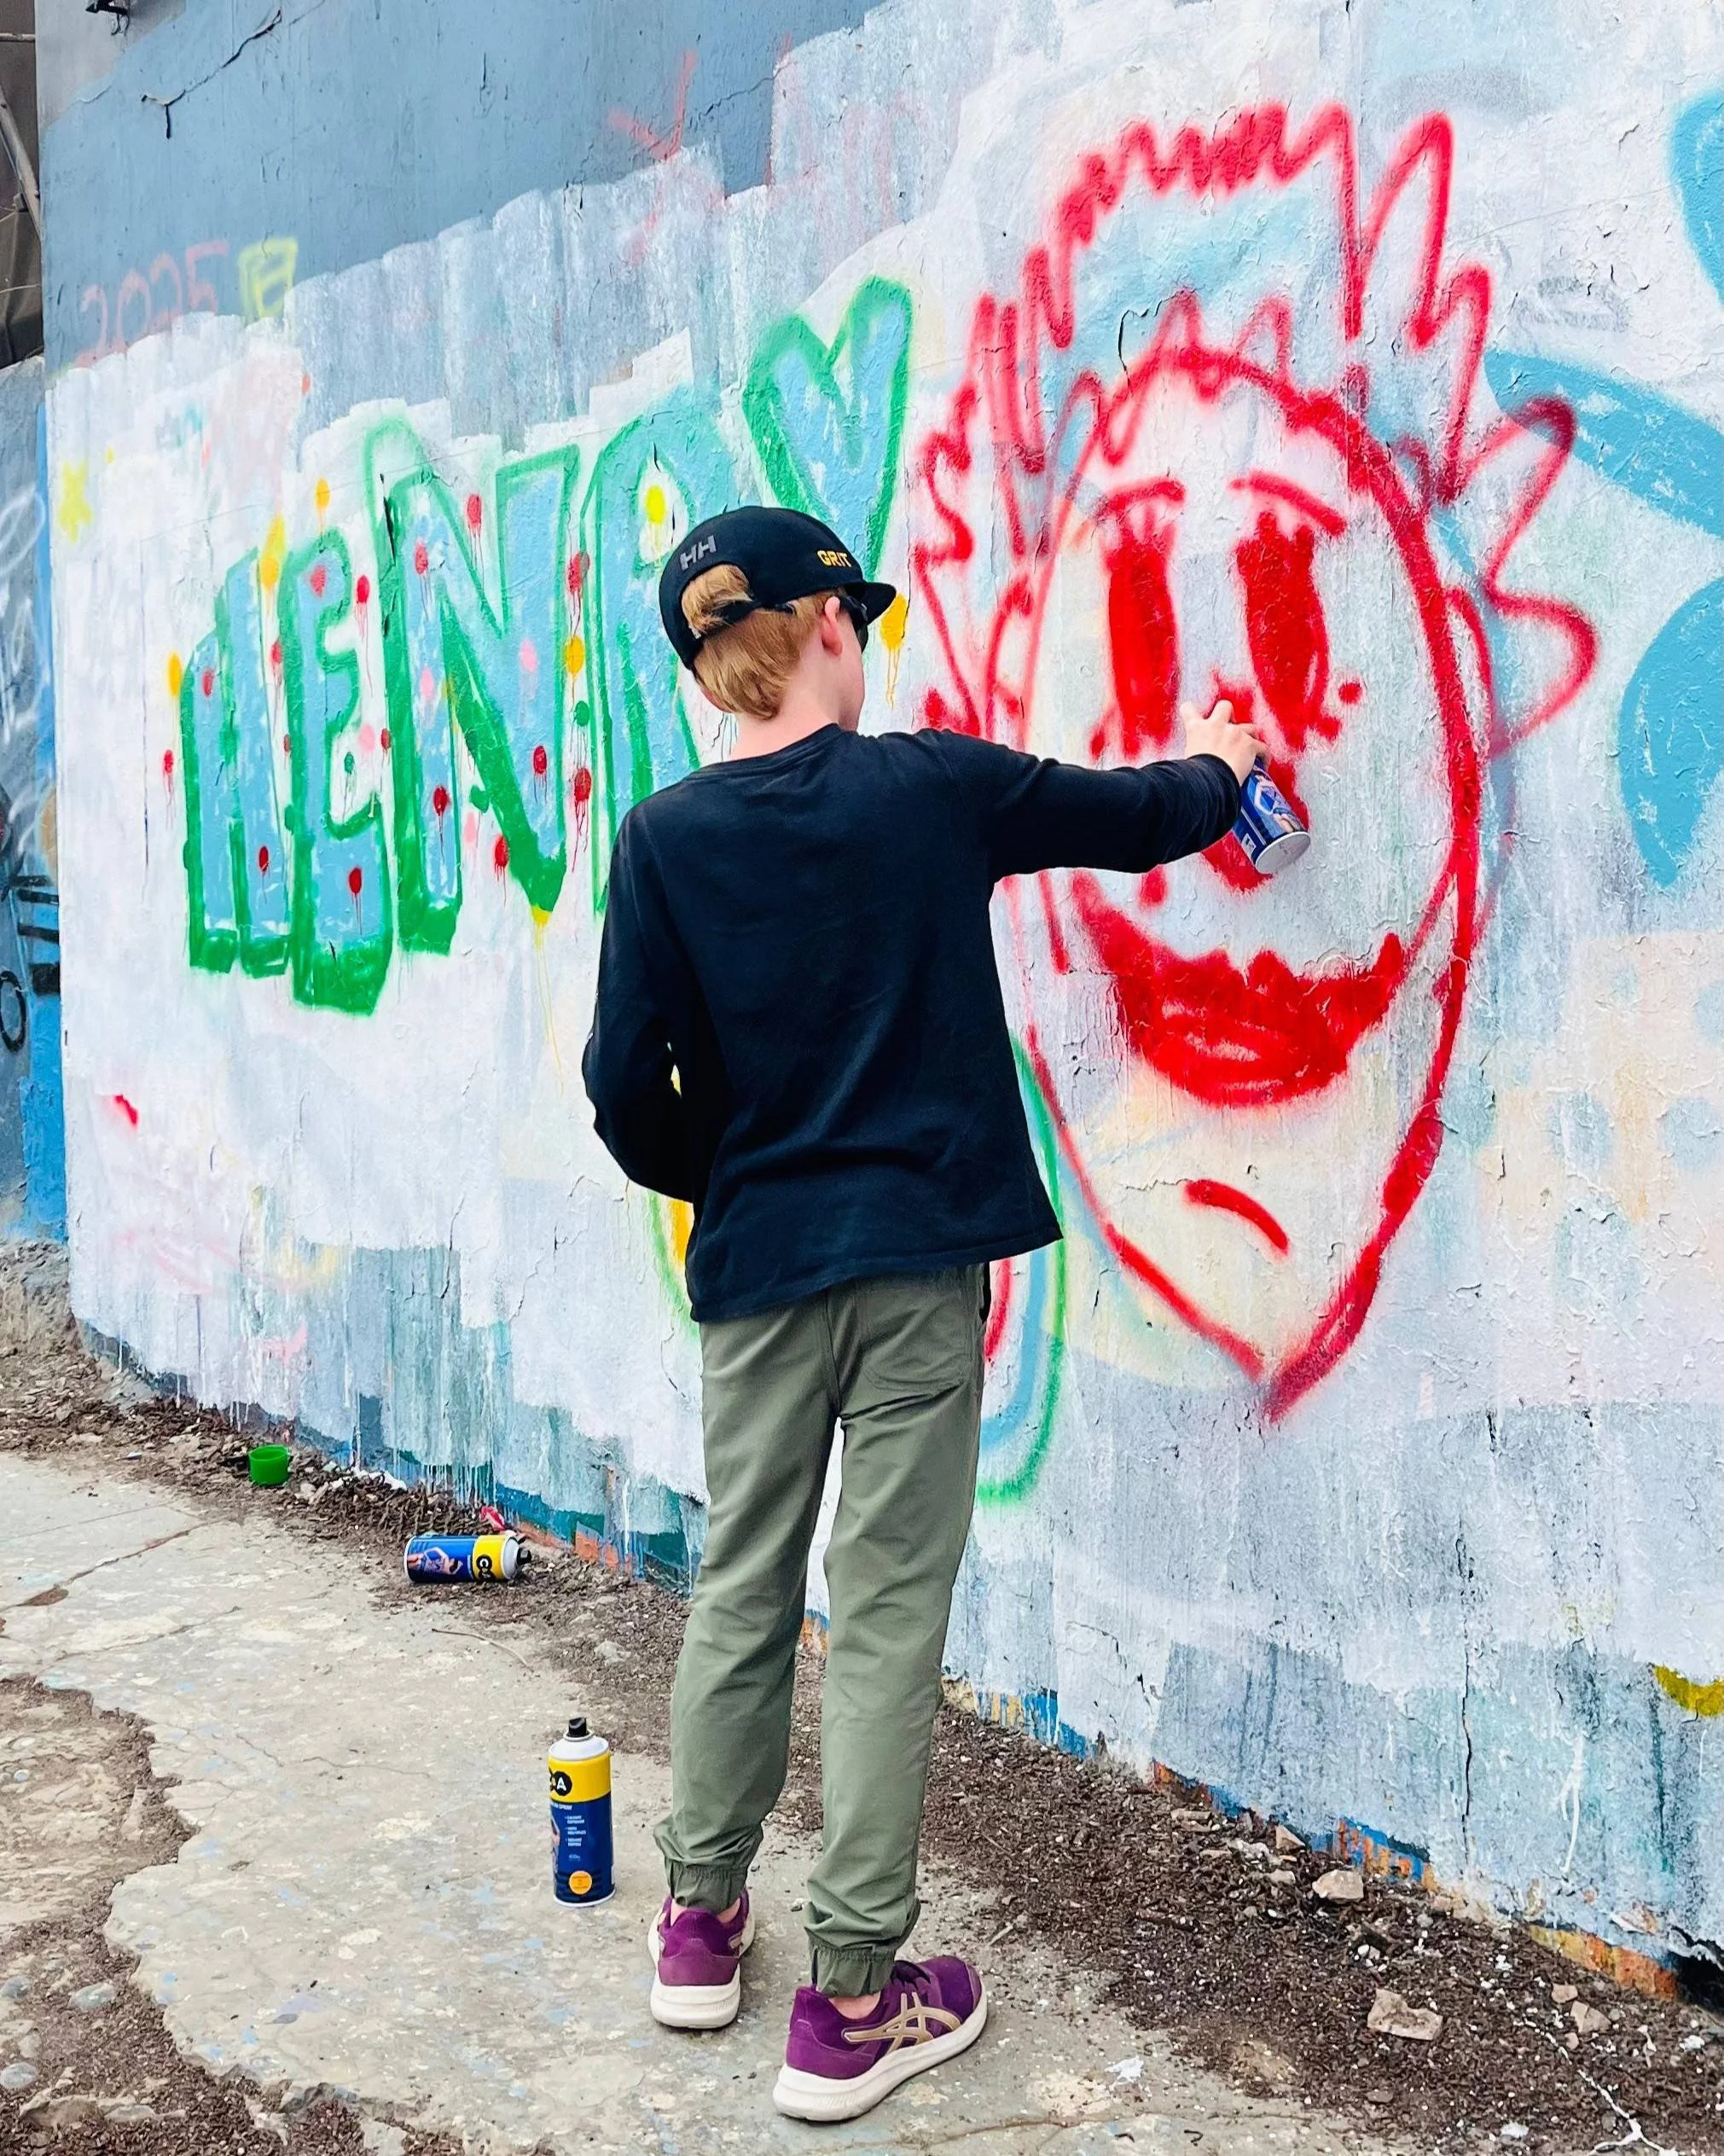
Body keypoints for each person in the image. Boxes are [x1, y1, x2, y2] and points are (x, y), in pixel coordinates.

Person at [581, 505, 1263, 2122]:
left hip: (757, 1279)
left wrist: (728, 1172)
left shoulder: (666, 839)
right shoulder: (932, 789)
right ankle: (851, 2000)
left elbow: (621, 1089)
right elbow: (1130, 814)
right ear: (826, 629)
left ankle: (696, 1923)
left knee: (741, 1583)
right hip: (912, 1273)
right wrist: (1228, 766)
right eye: (857, 619)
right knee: (882, 1616)